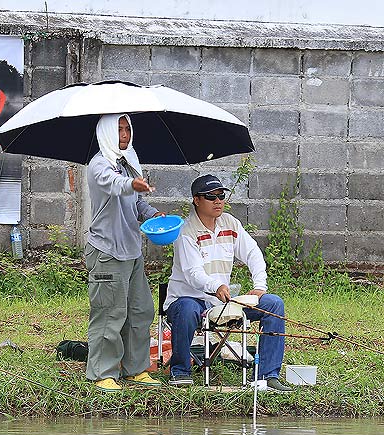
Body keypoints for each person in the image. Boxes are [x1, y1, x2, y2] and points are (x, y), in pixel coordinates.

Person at [163, 174, 293, 392]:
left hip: (222, 303)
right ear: (196, 200)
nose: (218, 201)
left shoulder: (231, 224)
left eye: (221, 196)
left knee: (273, 304)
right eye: (211, 197)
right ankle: (181, 371)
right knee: (186, 307)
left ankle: (266, 376)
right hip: (189, 300)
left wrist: (260, 286)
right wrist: (216, 286)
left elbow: (253, 254)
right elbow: (193, 273)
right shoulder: (185, 232)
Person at [84, 114, 162, 392]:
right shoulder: (99, 164)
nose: (124, 134)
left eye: (127, 128)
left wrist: (153, 214)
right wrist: (132, 184)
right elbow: (114, 184)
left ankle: (135, 369)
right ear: (105, 132)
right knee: (109, 313)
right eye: (118, 129)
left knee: (141, 311)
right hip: (107, 250)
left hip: (131, 250)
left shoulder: (129, 162)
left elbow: (136, 201)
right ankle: (101, 373)